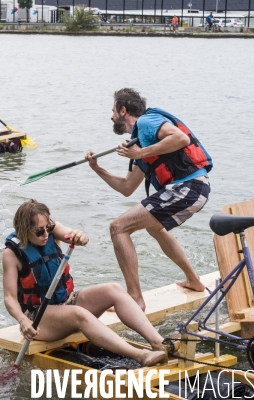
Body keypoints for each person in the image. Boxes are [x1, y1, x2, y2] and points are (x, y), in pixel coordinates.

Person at [85, 88, 212, 311]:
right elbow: (126, 187)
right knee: (155, 228)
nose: (111, 116)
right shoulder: (139, 142)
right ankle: (194, 281)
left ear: (123, 110)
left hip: (189, 186)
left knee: (118, 227)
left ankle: (135, 298)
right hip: (192, 190)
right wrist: (97, 168)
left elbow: (180, 138)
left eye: (113, 110)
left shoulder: (146, 122)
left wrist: (140, 154)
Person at [3, 199, 167, 367]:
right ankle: (140, 355)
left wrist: (80, 236)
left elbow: (70, 233)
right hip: (40, 318)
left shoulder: (52, 230)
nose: (46, 234)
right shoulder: (11, 255)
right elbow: (9, 298)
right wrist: (23, 320)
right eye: (39, 231)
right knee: (78, 314)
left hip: (66, 303)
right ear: (24, 230)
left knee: (114, 289)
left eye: (48, 228)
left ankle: (159, 343)